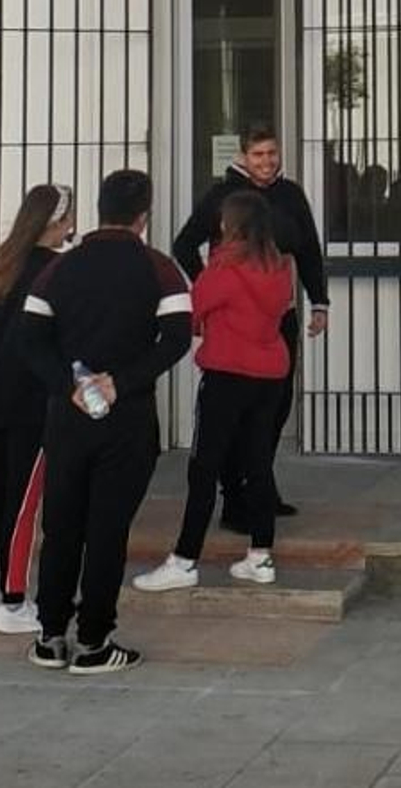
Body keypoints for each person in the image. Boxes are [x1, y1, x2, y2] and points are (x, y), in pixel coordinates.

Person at [19, 170, 192, 674]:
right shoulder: (160, 269)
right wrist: (123, 381)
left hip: (67, 417)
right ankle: (94, 642)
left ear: (97, 208)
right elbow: (178, 338)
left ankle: (50, 637)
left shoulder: (58, 271)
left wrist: (68, 386)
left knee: (62, 527)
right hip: (128, 418)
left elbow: (30, 339)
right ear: (145, 215)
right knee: (108, 531)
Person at [133, 190, 294, 592]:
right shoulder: (280, 267)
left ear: (231, 224)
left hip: (226, 373)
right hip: (270, 372)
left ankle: (185, 559)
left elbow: (194, 313)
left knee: (204, 466)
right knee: (257, 464)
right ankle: (260, 555)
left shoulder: (222, 269)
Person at [173, 124, 328, 526]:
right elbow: (183, 244)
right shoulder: (224, 196)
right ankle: (234, 496)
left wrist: (320, 301)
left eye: (272, 153)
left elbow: (308, 248)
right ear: (243, 156)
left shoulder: (290, 194)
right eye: (258, 154)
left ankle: (260, 481)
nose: (267, 161)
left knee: (274, 406)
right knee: (234, 411)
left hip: (279, 315)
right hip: (235, 322)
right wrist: (210, 281)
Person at [0, 183, 74, 635]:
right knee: (21, 505)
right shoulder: (58, 271)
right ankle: (15, 601)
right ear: (57, 223)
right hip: (30, 403)